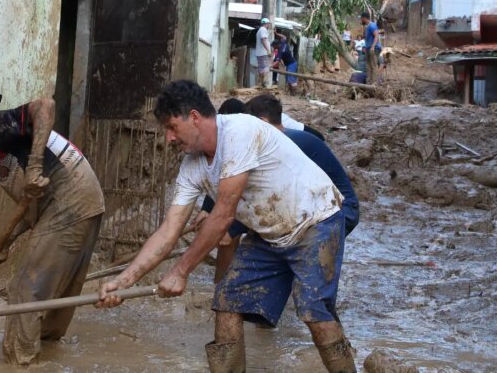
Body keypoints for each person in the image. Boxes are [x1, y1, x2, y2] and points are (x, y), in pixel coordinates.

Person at [97, 81, 356, 373]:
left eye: (171, 127)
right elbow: (168, 231)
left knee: (314, 311)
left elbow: (223, 215)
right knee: (227, 301)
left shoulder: (239, 131)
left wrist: (180, 272)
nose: (168, 138)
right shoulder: (192, 167)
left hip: (316, 220)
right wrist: (123, 281)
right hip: (270, 233)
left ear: (193, 117)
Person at [0, 93, 105, 365]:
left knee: (24, 287)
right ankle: (48, 352)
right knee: (58, 288)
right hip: (85, 198)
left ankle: (22, 362)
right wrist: (5, 243)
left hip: (69, 197)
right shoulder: (1, 150)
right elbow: (32, 204)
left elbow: (45, 105)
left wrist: (33, 168)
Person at [201, 94, 360, 282]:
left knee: (309, 282)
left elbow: (272, 199)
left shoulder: (285, 146)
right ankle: (224, 289)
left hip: (337, 211)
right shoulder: (268, 145)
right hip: (309, 207)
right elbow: (233, 179)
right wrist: (207, 209)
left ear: (261, 123)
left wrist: (231, 228)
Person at [360, 12, 381, 84]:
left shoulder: (372, 25)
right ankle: (368, 83)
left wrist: (373, 46)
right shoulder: (368, 27)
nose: (361, 20)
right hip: (369, 48)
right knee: (368, 66)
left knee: (373, 66)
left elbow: (377, 36)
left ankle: (374, 83)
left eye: (361, 19)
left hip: (374, 49)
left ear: (364, 18)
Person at [254, 18, 273, 87]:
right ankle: (264, 84)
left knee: (261, 69)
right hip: (263, 53)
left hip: (260, 53)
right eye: (268, 24)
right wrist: (268, 50)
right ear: (266, 24)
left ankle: (261, 84)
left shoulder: (260, 30)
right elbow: (263, 40)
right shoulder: (263, 29)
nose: (268, 26)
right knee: (265, 68)